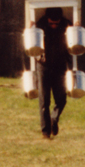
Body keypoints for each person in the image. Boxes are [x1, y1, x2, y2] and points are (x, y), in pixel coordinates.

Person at [34, 7, 71, 139]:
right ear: (47, 18)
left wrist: (75, 27)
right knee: (44, 100)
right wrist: (30, 28)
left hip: (60, 66)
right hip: (43, 65)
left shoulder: (66, 24)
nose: (54, 26)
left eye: (56, 23)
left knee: (61, 98)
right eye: (51, 23)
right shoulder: (39, 25)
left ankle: (53, 118)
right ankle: (45, 132)